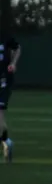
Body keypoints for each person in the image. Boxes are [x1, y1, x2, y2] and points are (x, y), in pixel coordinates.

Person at [0, 35, 21, 163]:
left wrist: (13, 63)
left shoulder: (4, 35)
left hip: (3, 81)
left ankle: (6, 142)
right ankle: (6, 141)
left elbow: (17, 47)